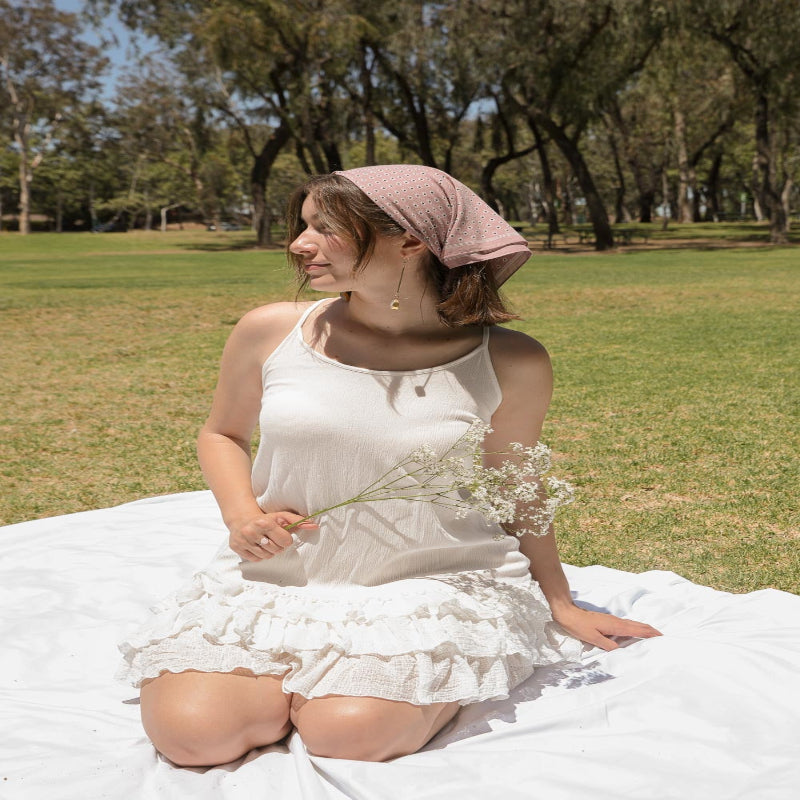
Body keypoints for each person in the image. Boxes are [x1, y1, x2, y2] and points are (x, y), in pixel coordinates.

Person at [118, 164, 661, 766]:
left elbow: (518, 487)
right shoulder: (270, 331)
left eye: (326, 229)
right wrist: (241, 516)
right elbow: (222, 432)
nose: (300, 245)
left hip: (431, 587)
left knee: (349, 735)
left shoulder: (511, 360)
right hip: (280, 580)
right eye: (303, 226)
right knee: (194, 736)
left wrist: (558, 602)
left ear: (410, 239)